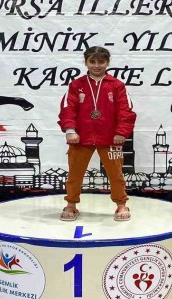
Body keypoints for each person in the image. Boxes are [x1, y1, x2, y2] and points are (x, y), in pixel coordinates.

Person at [58, 46, 137, 221]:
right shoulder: (76, 85)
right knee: (75, 174)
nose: (96, 65)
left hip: (110, 138)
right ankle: (71, 204)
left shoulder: (116, 85)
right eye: (92, 61)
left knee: (116, 174)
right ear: (85, 62)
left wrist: (121, 132)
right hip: (80, 138)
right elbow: (68, 108)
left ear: (107, 63)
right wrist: (70, 130)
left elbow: (126, 110)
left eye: (101, 61)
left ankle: (121, 204)